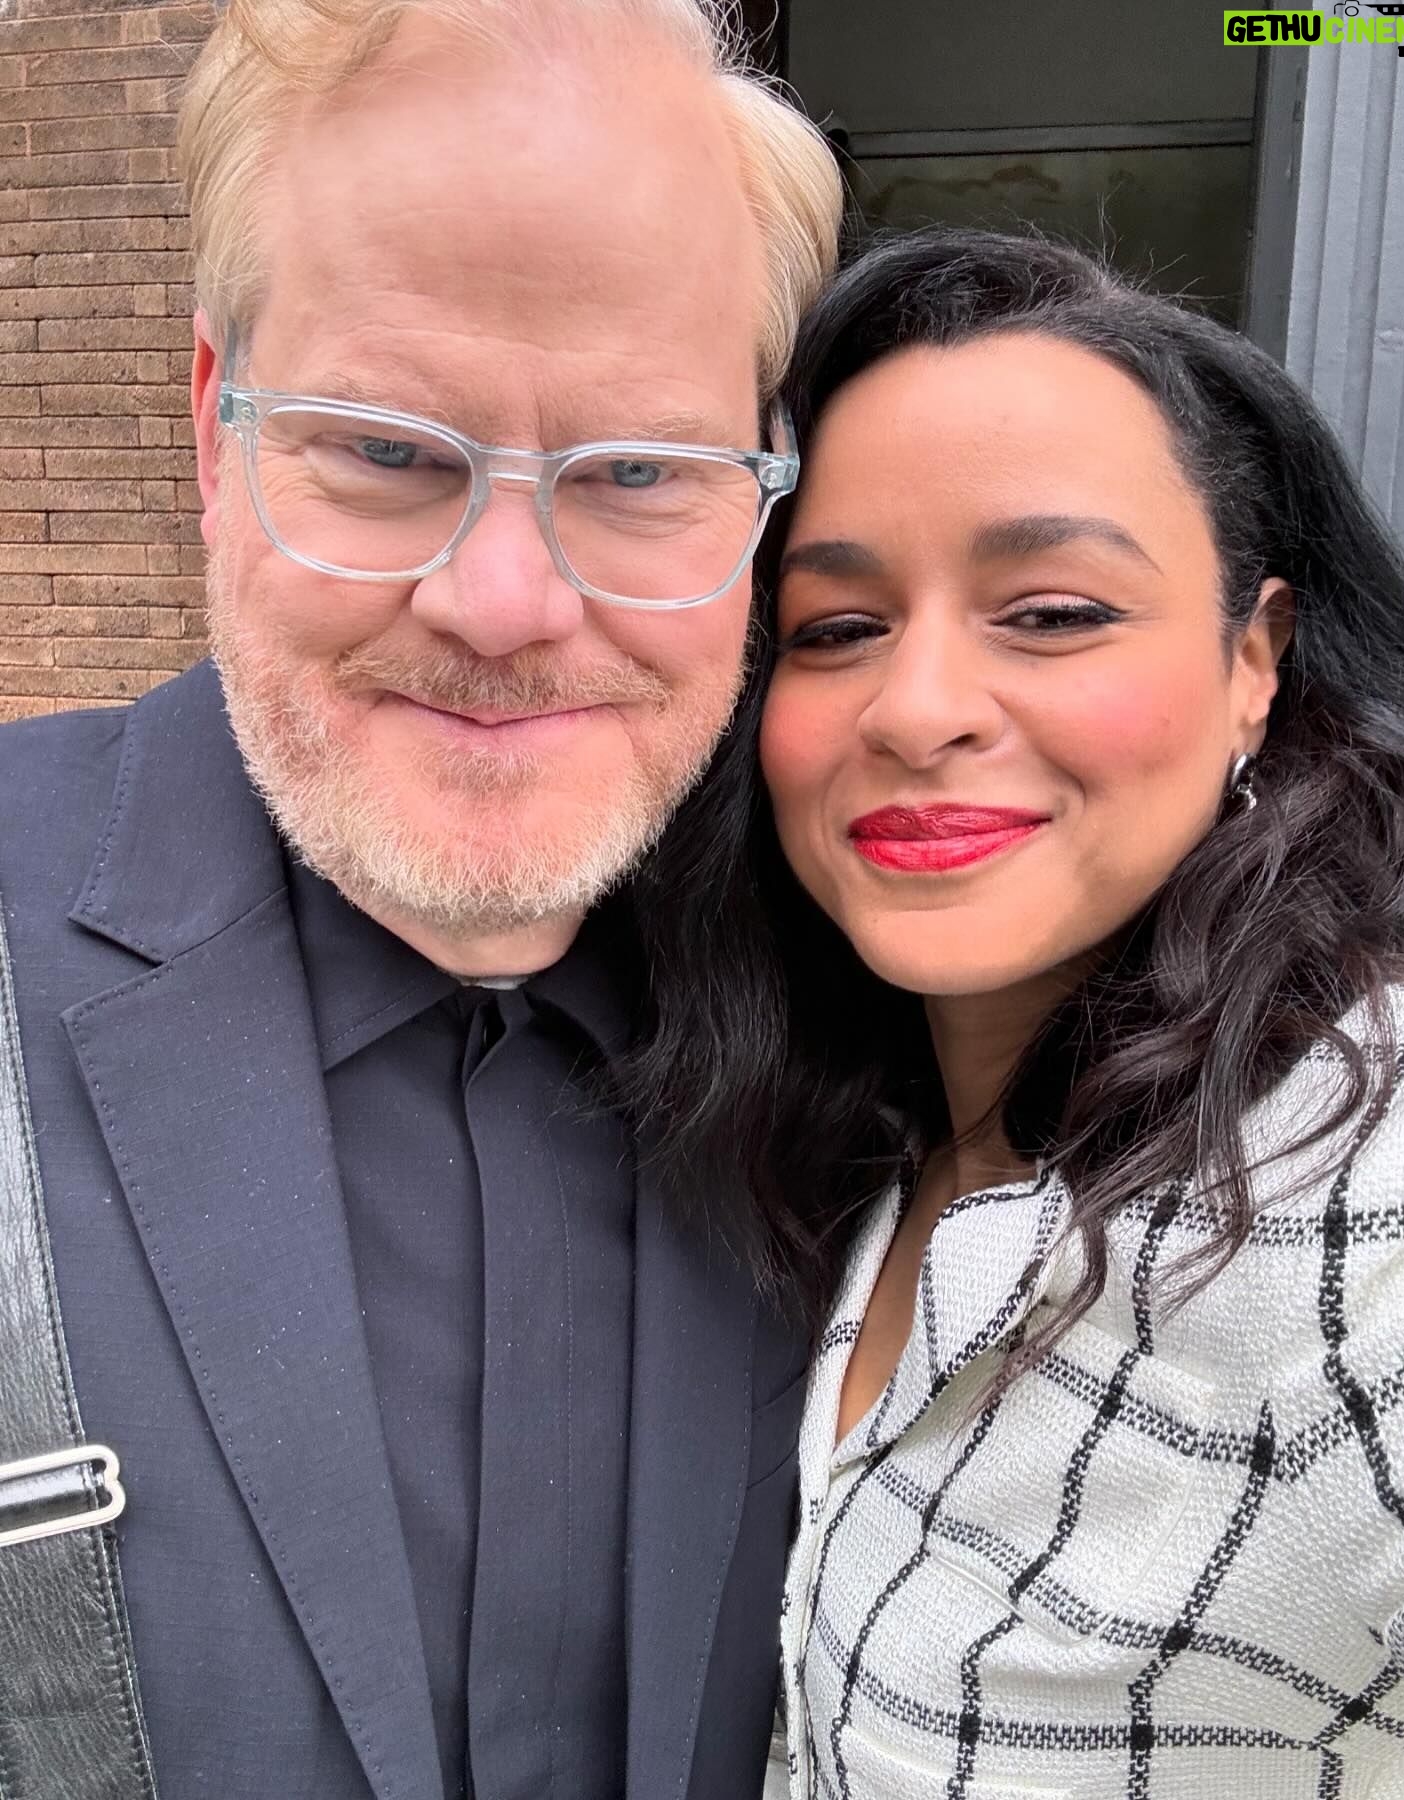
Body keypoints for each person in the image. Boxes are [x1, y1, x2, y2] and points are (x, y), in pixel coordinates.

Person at [0, 3, 841, 1796]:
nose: (506, 605)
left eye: (637, 472)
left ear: (758, 499)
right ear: (216, 432)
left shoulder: (891, 1002)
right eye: (386, 452)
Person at [620, 229, 1404, 1798]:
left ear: (1255, 659)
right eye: (836, 628)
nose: (919, 708)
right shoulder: (856, 1134)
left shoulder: (1377, 1197)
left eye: (1053, 611)